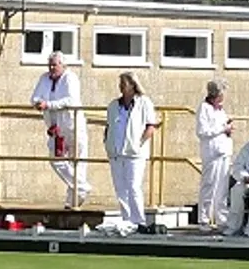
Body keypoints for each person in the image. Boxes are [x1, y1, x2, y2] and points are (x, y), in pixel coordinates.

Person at [31, 52, 92, 209]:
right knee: (56, 159)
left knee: (77, 162)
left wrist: (49, 105)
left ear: (63, 65)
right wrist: (38, 103)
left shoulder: (70, 78)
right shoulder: (44, 78)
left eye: (55, 65)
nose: (52, 68)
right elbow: (35, 97)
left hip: (73, 126)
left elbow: (71, 100)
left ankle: (72, 202)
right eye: (50, 64)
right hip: (55, 128)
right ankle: (82, 187)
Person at [105, 71, 161, 233]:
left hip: (135, 153)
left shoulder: (144, 102)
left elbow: (151, 126)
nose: (121, 87)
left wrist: (140, 143)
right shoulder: (114, 105)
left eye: (124, 83)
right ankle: (127, 219)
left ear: (133, 85)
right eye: (120, 83)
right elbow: (109, 126)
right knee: (120, 187)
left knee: (133, 186)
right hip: (116, 152)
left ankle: (138, 220)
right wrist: (107, 143)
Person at [195, 79, 236, 232]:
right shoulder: (204, 108)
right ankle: (204, 220)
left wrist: (228, 128)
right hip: (211, 153)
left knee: (222, 188)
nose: (224, 96)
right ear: (216, 93)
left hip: (224, 151)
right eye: (222, 93)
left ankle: (221, 218)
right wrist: (222, 128)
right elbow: (202, 131)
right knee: (209, 185)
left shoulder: (220, 110)